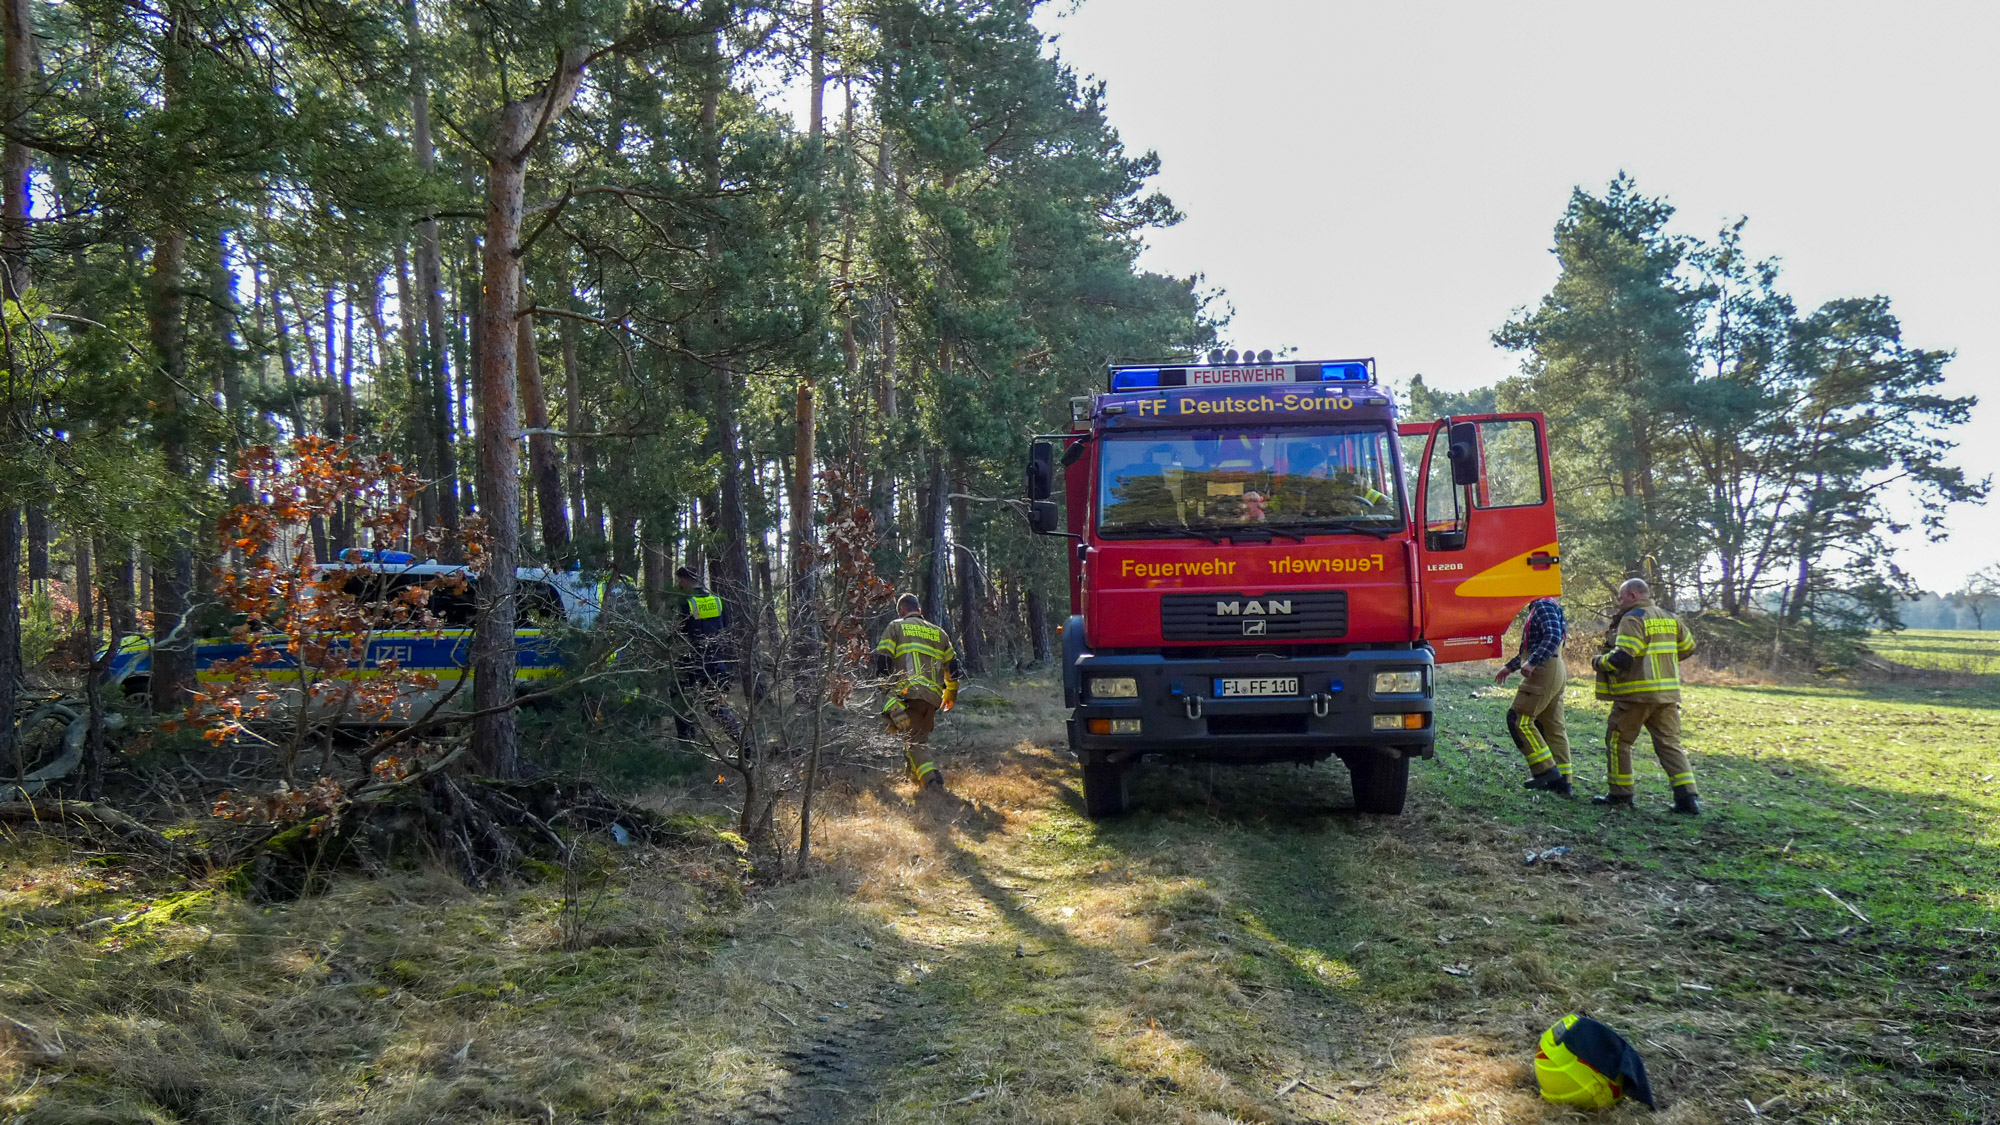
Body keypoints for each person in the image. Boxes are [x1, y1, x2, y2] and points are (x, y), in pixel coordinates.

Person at [1590, 578, 1700, 814]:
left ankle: (1621, 794)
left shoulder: (1633, 618)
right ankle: (1687, 798)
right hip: (1667, 695)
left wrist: (1598, 662)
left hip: (1636, 696)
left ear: (1633, 596)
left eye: (1622, 597)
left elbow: (1623, 657)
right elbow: (1688, 647)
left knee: (1619, 742)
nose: (1620, 602)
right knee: (1670, 744)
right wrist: (1665, 661)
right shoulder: (1671, 617)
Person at [875, 593, 960, 787]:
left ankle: (931, 780)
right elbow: (953, 666)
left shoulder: (896, 627)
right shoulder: (939, 633)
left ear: (901, 611)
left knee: (909, 735)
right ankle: (914, 776)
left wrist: (886, 693)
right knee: (915, 735)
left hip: (906, 695)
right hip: (932, 698)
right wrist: (951, 693)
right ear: (919, 611)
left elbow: (883, 661)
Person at [1495, 595, 1571, 796]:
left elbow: (1552, 636)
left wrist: (1533, 662)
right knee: (1552, 727)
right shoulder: (1547, 604)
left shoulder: (1542, 605)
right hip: (1555, 669)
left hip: (1544, 670)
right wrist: (1509, 667)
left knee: (1519, 719)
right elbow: (1535, 646)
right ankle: (1563, 782)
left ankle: (1546, 771)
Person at [672, 565, 741, 744]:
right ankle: (741, 741)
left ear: (684, 581)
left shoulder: (685, 603)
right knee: (715, 705)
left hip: (692, 661)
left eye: (678, 581)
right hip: (716, 660)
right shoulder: (716, 601)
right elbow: (725, 626)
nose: (677, 584)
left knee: (682, 701)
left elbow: (677, 632)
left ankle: (688, 745)